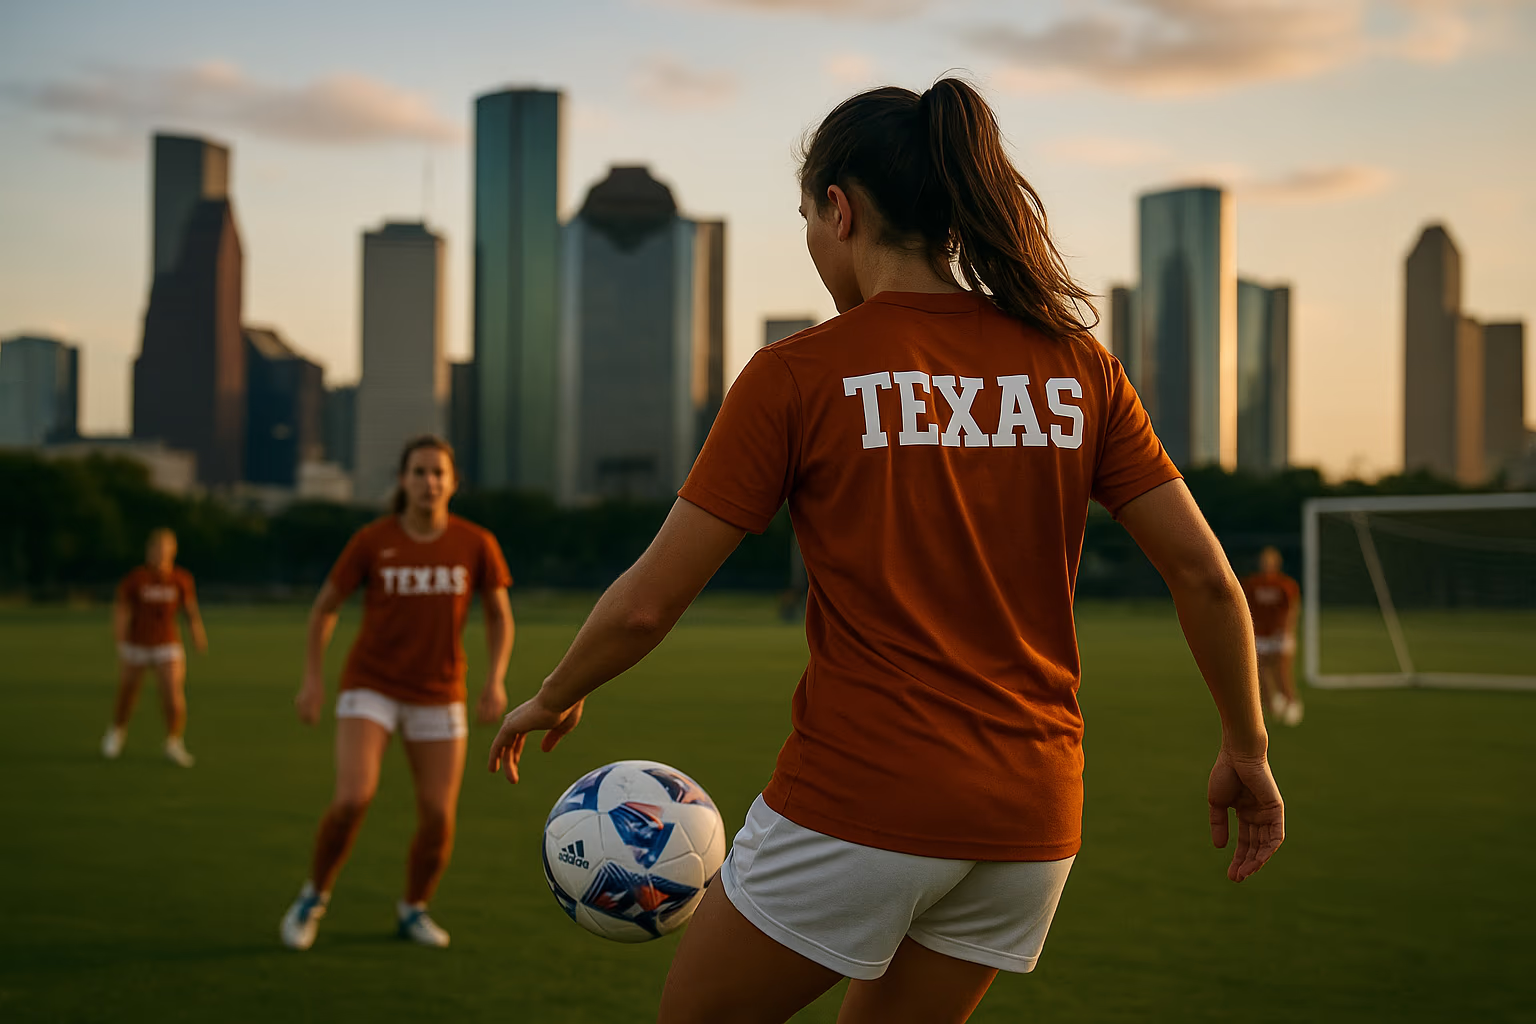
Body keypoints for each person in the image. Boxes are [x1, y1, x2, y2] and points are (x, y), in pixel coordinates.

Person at [489, 79, 1285, 1023]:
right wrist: (1246, 745)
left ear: (841, 207)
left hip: (862, 801)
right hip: (1030, 823)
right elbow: (1204, 575)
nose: (814, 242)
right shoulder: (1079, 366)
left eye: (807, 218)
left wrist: (556, 691)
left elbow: (647, 603)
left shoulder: (799, 372)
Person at [280, 436, 514, 951]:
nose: (429, 482)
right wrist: (313, 679)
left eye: (438, 473)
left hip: (439, 692)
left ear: (453, 483)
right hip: (372, 686)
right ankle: (313, 896)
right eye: (419, 472)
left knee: (437, 815)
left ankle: (414, 908)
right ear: (402, 480)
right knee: (352, 798)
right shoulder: (372, 540)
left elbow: (499, 615)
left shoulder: (475, 542)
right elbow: (325, 607)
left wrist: (495, 678)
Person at [102, 528, 207, 767]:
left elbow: (189, 610)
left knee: (172, 694)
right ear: (148, 551)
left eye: (165, 549)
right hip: (137, 643)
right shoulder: (136, 579)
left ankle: (173, 741)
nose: (160, 554)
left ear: (173, 551)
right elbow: (122, 609)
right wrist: (120, 639)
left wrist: (197, 634)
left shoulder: (181, 578)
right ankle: (117, 732)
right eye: (156, 549)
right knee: (129, 691)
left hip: (167, 642)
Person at [1242, 546, 1303, 726]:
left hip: (1280, 634)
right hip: (1260, 634)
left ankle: (1293, 703)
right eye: (1264, 561)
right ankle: (1273, 701)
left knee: (1282, 671)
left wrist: (1287, 630)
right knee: (1260, 671)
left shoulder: (1285, 584)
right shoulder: (1253, 584)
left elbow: (1292, 609)